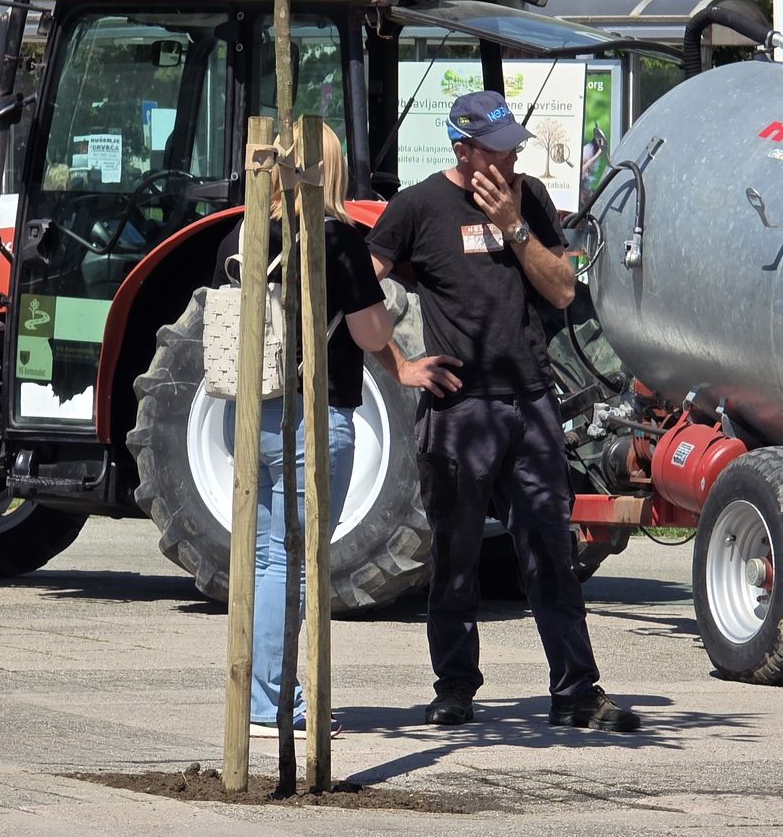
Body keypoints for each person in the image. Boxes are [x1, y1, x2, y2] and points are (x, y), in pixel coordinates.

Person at [368, 91, 639, 732]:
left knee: (551, 553)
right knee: (454, 558)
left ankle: (577, 693)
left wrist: (516, 226)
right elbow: (359, 285)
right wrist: (397, 366)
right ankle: (455, 689)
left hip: (531, 406)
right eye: (499, 149)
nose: (512, 160)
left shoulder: (529, 199)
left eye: (515, 148)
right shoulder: (418, 206)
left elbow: (564, 288)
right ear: (463, 148)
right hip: (459, 413)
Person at [214, 129, 394, 738]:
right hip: (312, 415)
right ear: (329, 170)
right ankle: (282, 702)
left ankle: (262, 698)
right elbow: (371, 336)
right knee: (300, 563)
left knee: (269, 559)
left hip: (252, 411)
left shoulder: (239, 238)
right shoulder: (336, 240)